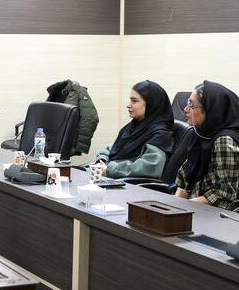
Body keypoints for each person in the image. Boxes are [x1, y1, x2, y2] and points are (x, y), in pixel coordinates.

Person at [175, 81, 239, 210]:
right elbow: (184, 178)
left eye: (191, 105)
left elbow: (225, 194)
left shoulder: (224, 141)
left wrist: (183, 207)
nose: (186, 109)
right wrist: (173, 206)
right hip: (195, 207)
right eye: (187, 103)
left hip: (218, 214)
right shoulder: (201, 133)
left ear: (211, 109)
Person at [95, 80, 174, 179]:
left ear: (150, 103)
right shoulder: (135, 125)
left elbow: (149, 167)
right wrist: (102, 160)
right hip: (113, 177)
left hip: (129, 185)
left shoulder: (161, 134)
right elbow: (115, 147)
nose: (129, 105)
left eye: (134, 101)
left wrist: (110, 169)